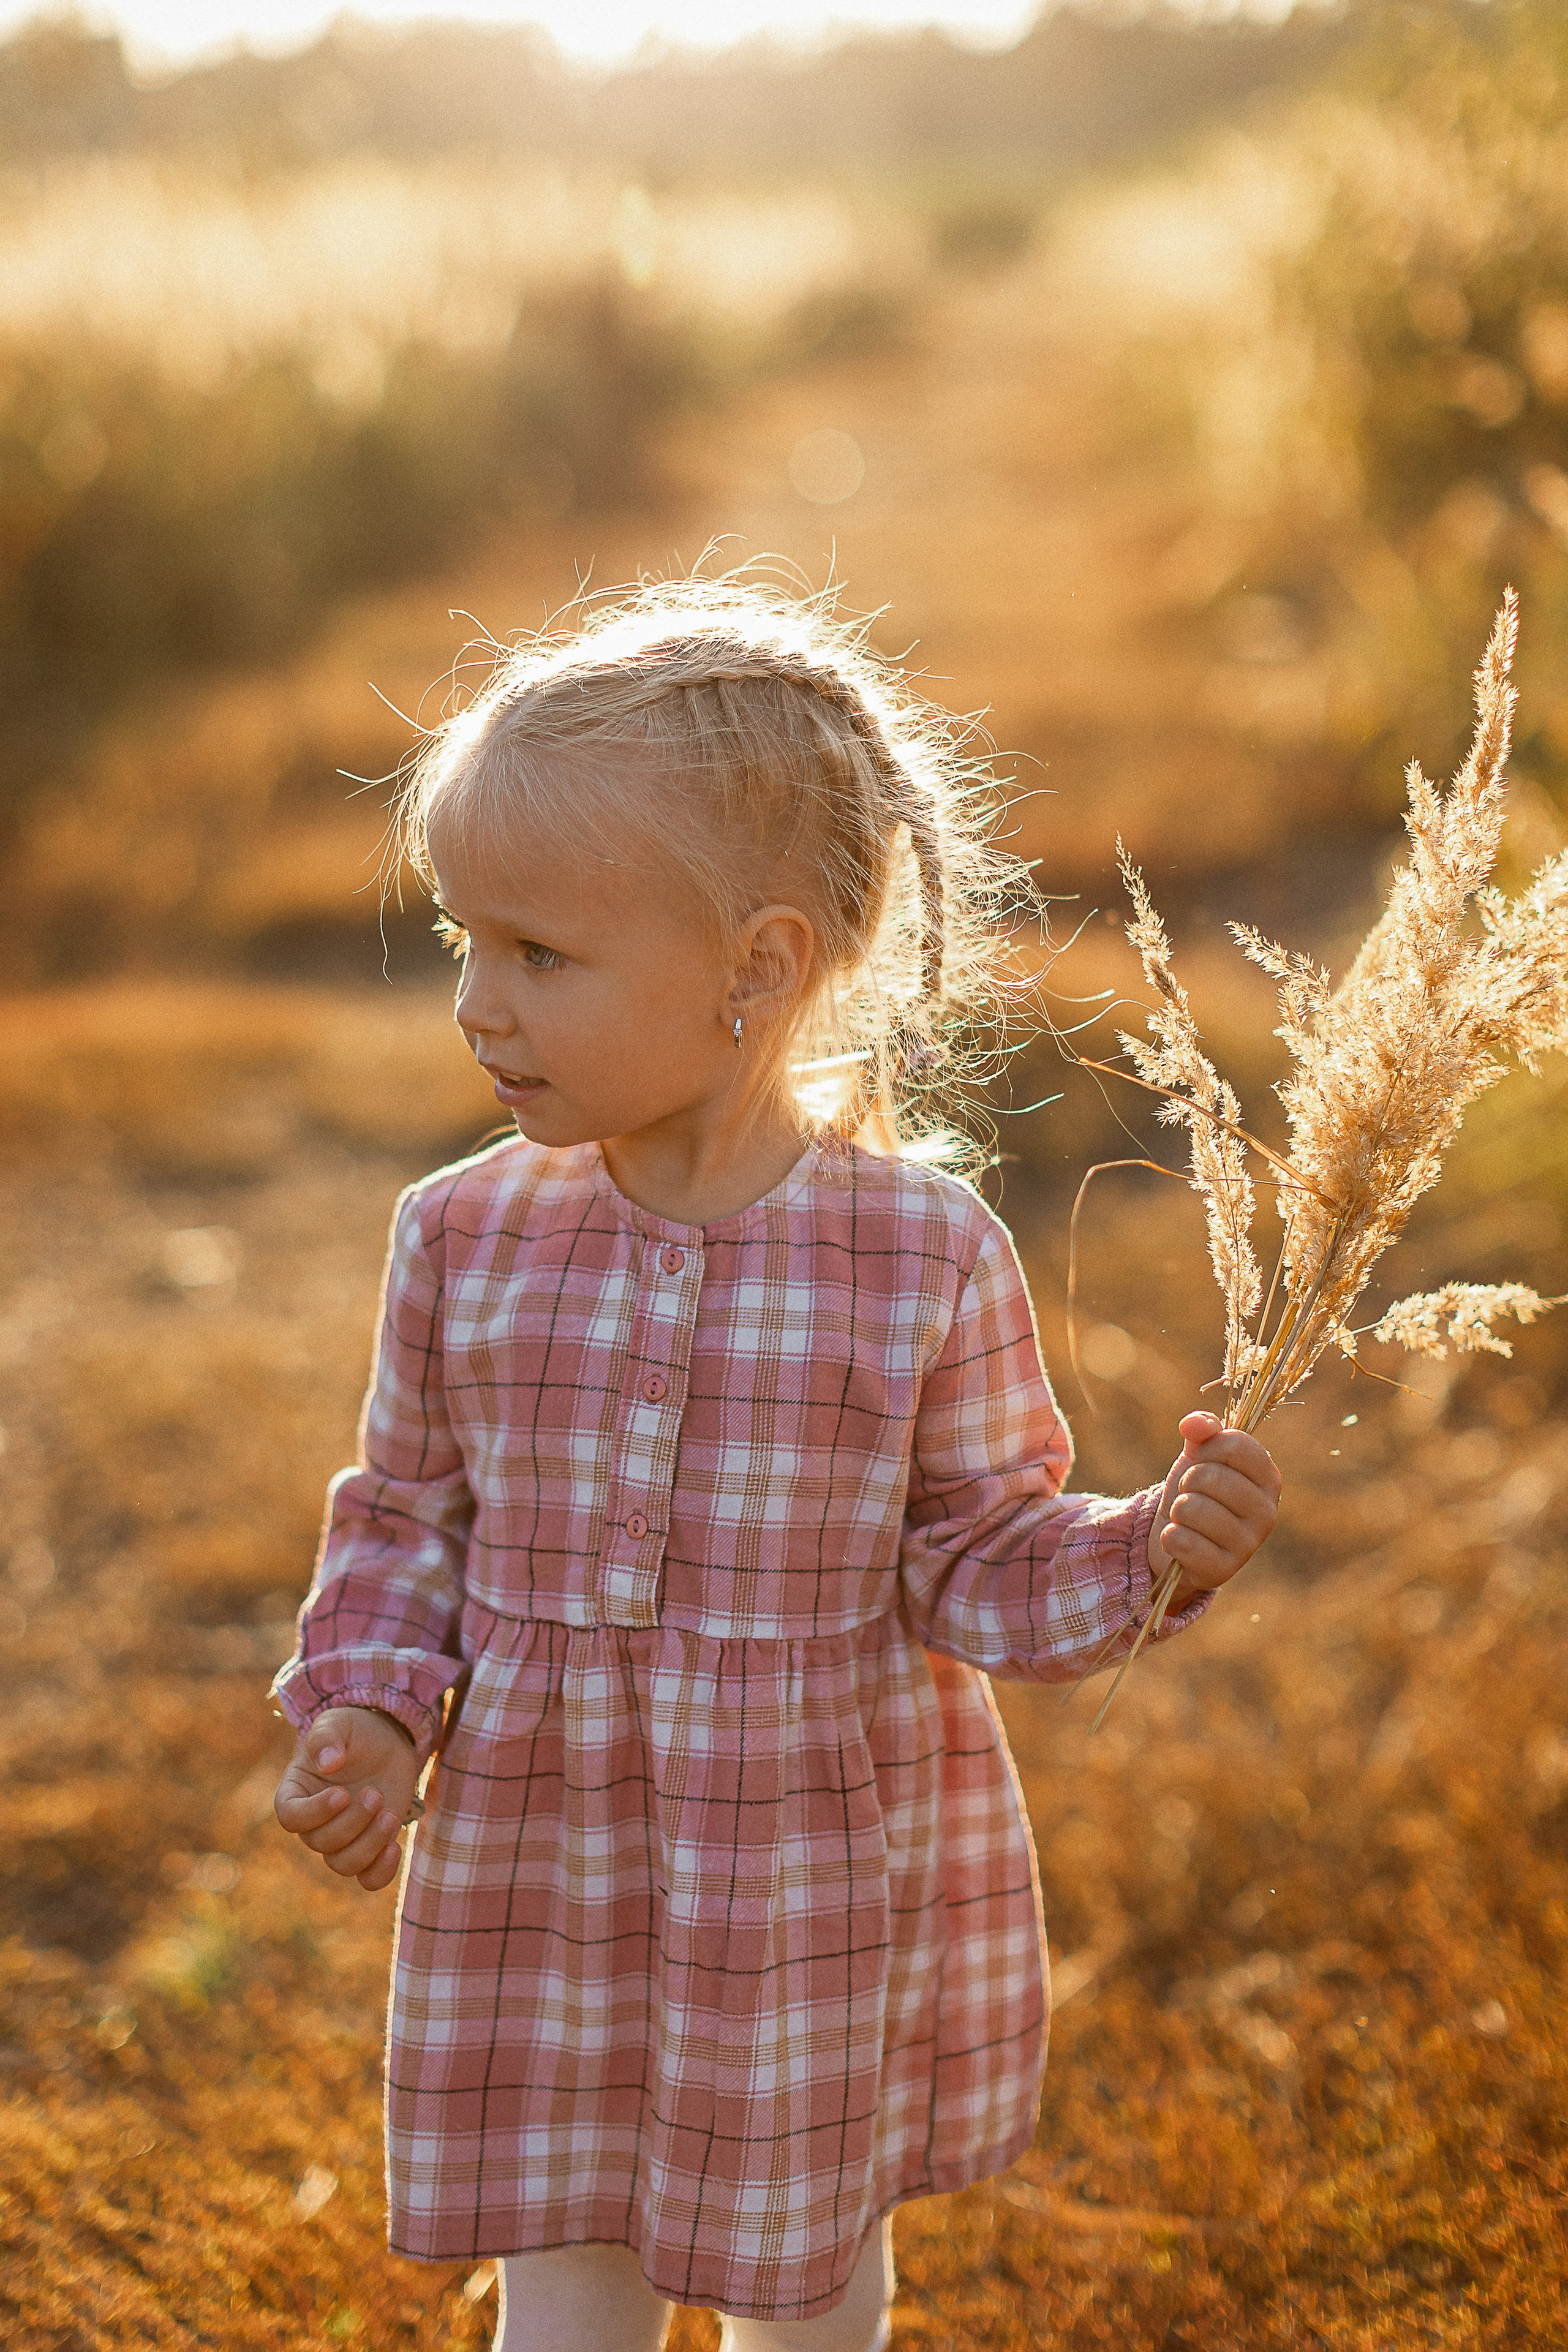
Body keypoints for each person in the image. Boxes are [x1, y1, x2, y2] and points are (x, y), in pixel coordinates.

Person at [270, 580, 1281, 2352]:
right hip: (547, 1853)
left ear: (758, 967)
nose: (477, 1005)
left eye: (540, 956)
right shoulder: (462, 1236)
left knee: (801, 2267)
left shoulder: (921, 1255)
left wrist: (1149, 1553)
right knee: (565, 2256)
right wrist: (369, 1706)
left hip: (806, 1868)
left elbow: (976, 1549)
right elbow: (408, 1516)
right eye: (462, 942)